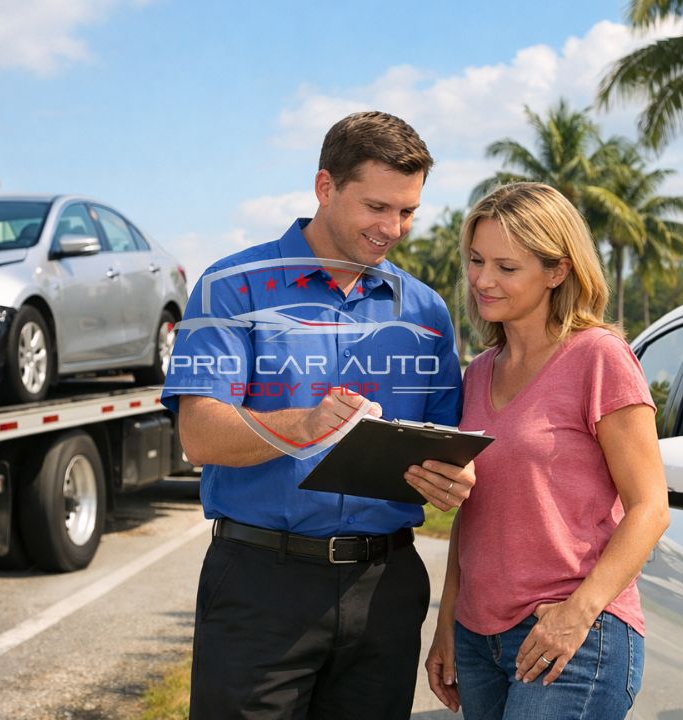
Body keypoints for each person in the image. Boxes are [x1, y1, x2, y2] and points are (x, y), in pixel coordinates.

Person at [161, 110, 476, 719]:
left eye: (407, 211)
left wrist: (451, 478)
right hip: (260, 585)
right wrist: (304, 425)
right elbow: (199, 434)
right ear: (325, 187)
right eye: (377, 207)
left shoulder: (427, 311)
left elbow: (445, 443)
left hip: (386, 590)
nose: (392, 228)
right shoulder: (231, 287)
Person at [409, 182, 670, 719]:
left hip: (572, 635)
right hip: (478, 641)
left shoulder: (599, 357)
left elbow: (650, 508)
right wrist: (448, 623)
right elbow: (474, 513)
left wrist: (577, 614)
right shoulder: (478, 373)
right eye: (476, 260)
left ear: (557, 271)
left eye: (506, 267)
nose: (483, 280)